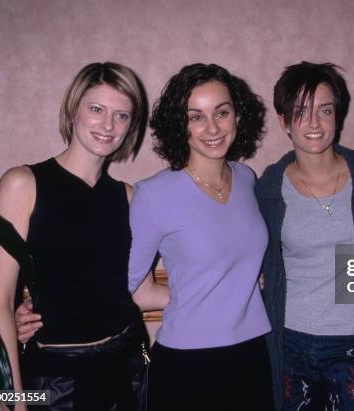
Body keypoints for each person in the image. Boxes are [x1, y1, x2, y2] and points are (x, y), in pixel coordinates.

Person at [0, 62, 160, 410]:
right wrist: (14, 402)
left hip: (128, 370)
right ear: (73, 109)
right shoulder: (22, 184)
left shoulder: (130, 197)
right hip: (53, 382)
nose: (108, 125)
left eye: (122, 115)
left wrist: (239, 284)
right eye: (96, 109)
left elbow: (143, 291)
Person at [127, 63, 273, 410]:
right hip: (186, 366)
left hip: (253, 354)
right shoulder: (154, 194)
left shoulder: (247, 178)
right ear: (181, 125)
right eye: (196, 117)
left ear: (238, 116)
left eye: (221, 112)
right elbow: (128, 289)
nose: (212, 128)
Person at [256, 62, 354, 410]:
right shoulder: (268, 188)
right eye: (300, 112)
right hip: (291, 345)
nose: (314, 124)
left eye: (325, 110)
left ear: (338, 114)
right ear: (283, 120)